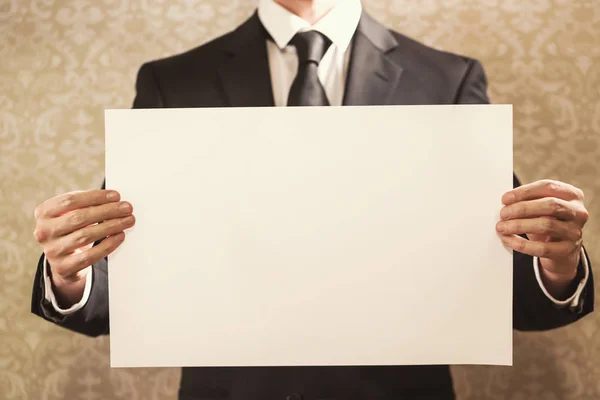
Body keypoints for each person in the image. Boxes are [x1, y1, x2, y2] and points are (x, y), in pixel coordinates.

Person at [31, 1, 594, 399]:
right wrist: (70, 276)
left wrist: (557, 260)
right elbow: (121, 289)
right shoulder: (172, 81)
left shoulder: (447, 78)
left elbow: (514, 297)